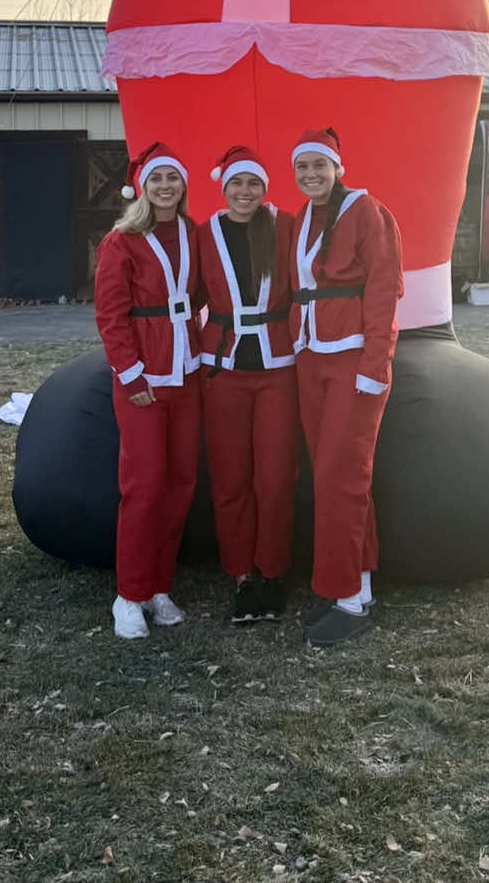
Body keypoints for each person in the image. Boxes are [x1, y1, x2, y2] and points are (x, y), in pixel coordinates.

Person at [289, 127, 402, 647]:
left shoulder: (368, 211)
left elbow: (383, 290)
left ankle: (347, 602)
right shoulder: (302, 219)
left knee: (340, 475)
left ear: (339, 167)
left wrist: (374, 365)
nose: (311, 175)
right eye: (302, 167)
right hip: (311, 357)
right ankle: (361, 583)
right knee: (334, 474)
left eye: (320, 165)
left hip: (354, 358)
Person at [93, 141, 203, 640]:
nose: (165, 186)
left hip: (188, 373)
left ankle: (159, 586)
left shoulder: (193, 234)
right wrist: (131, 374)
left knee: (179, 485)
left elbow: (202, 293)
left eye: (173, 178)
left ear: (183, 185)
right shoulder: (121, 242)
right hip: (144, 381)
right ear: (143, 186)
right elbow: (111, 316)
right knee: (144, 487)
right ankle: (129, 595)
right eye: (156, 178)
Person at [197, 144, 298, 625]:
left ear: (265, 188)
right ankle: (242, 576)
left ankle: (273, 571)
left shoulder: (287, 226)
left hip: (278, 368)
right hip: (222, 370)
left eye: (253, 183)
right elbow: (183, 289)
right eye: (236, 183)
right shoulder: (204, 234)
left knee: (275, 480)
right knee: (231, 480)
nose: (244, 192)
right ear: (224, 188)